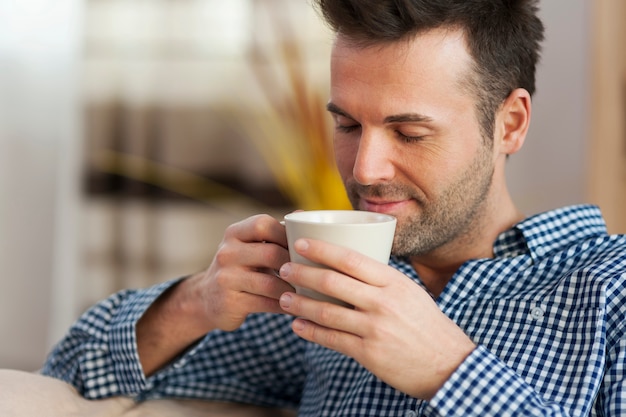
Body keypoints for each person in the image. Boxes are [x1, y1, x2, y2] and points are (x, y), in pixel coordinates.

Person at [16, 0, 626, 415]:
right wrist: (198, 302)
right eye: (347, 124)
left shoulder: (609, 288)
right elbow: (70, 376)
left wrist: (448, 370)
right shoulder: (325, 296)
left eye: (409, 133)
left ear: (511, 123)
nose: (364, 170)